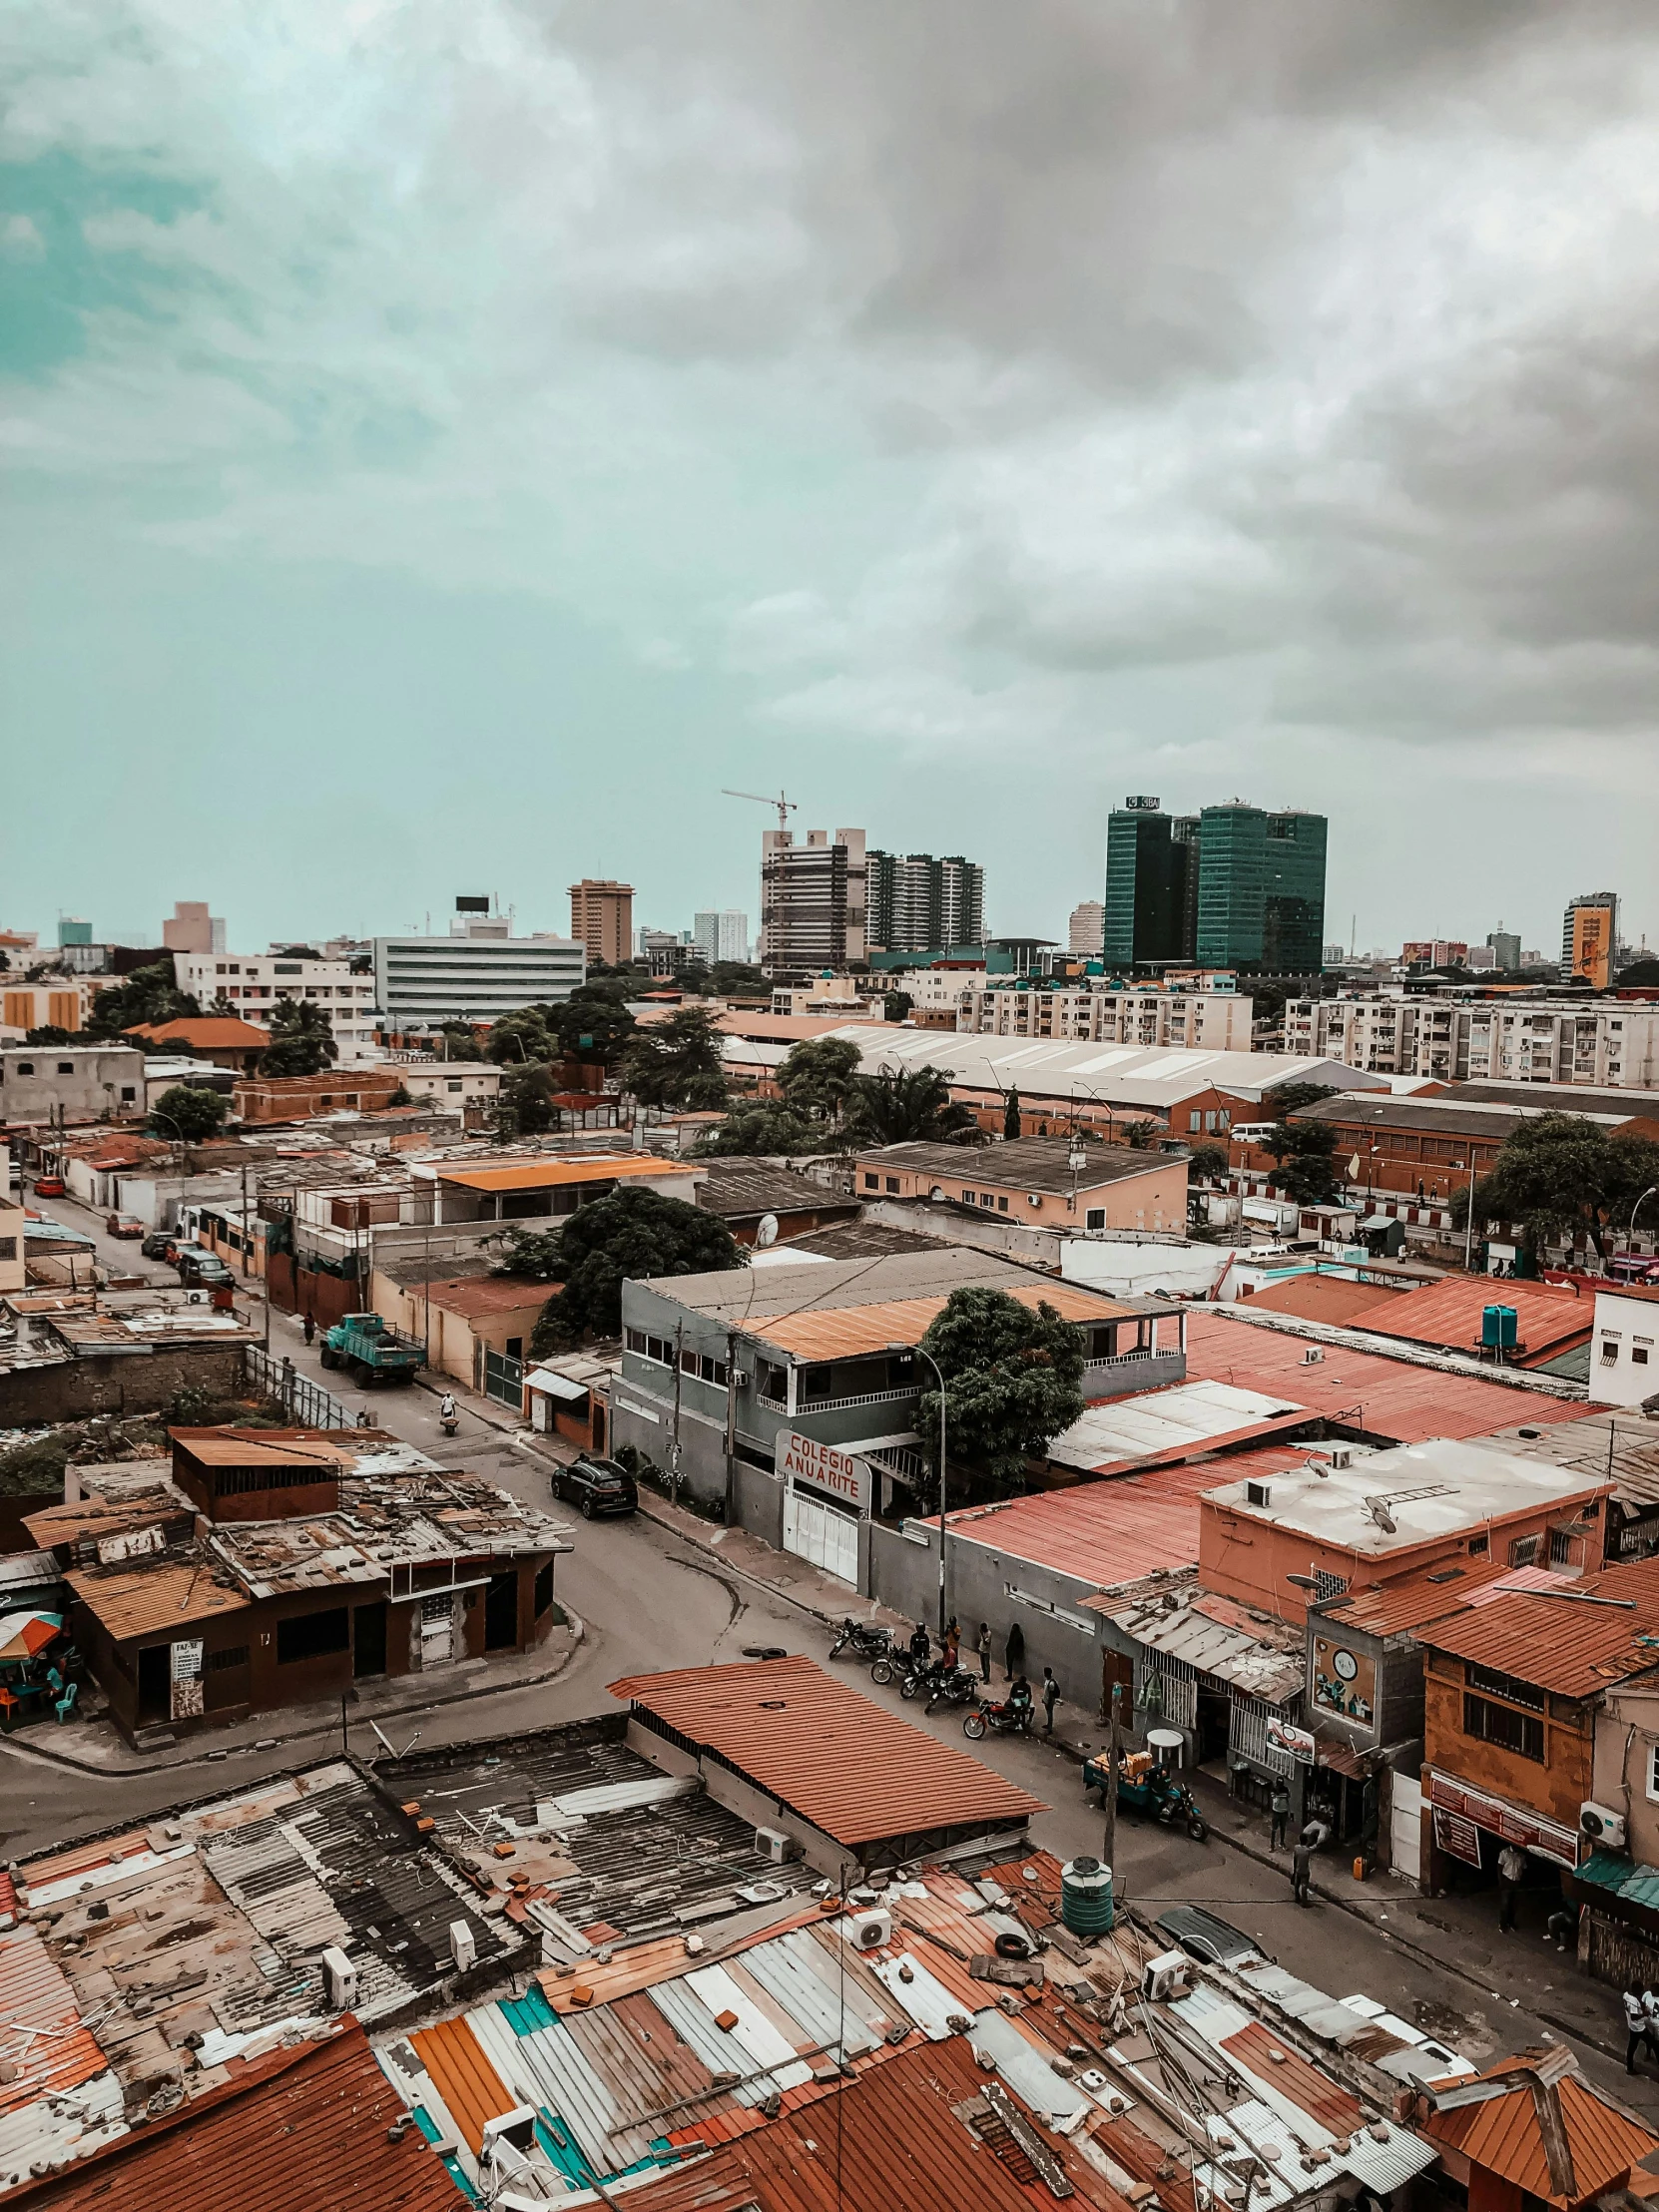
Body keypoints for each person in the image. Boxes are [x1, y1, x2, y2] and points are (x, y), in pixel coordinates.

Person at [1497, 1843, 1527, 1933]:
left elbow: (1524, 1868)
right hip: (1507, 1880)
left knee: (1513, 1904)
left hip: (1516, 1882)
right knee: (1505, 1904)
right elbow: (1499, 1867)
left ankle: (1511, 1922)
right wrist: (1501, 1881)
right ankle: (1502, 1924)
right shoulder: (1504, 1853)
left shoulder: (1522, 1856)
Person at [1625, 1986, 1649, 2074]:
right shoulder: (1633, 2001)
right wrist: (1644, 2014)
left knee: (1631, 2047)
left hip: (1632, 2026)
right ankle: (1630, 2068)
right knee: (1653, 2042)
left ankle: (1629, 2067)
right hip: (1638, 2028)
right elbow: (1634, 2017)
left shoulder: (1626, 1995)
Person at [1291, 1830, 1315, 1908]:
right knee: (1304, 1885)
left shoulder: (1296, 1848)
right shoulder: (1307, 1850)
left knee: (1297, 1884)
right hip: (1305, 1871)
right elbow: (1313, 1847)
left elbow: (1295, 1859)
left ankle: (1297, 1898)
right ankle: (1304, 1901)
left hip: (1298, 1869)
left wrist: (1294, 1870)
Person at [1270, 1783, 1291, 1853]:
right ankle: (1272, 1845)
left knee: (1283, 1828)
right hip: (1276, 1812)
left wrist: (1279, 1795)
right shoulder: (1273, 1790)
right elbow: (1276, 1802)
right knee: (1274, 1829)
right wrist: (1279, 1796)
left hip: (1284, 1812)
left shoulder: (1286, 1789)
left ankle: (1282, 1842)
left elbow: (1287, 1797)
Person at [1041, 1666, 1059, 1736]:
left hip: (1049, 1701)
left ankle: (1050, 1728)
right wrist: (1044, 1699)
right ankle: (1048, 1724)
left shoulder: (1051, 1683)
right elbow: (1046, 1691)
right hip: (1046, 1700)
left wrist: (1048, 1702)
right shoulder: (1047, 1680)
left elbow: (1051, 1695)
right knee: (1048, 1713)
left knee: (1050, 1714)